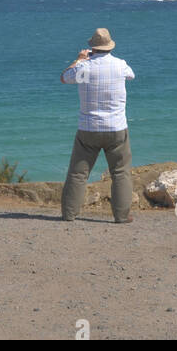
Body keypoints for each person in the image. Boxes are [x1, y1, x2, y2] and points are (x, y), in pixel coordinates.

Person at [59, 28, 135, 222]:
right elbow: (131, 76)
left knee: (78, 173)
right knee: (120, 173)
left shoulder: (83, 68)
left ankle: (69, 214)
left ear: (92, 47)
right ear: (109, 46)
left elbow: (64, 78)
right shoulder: (120, 65)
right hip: (116, 127)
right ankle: (122, 216)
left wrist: (79, 59)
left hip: (88, 127)